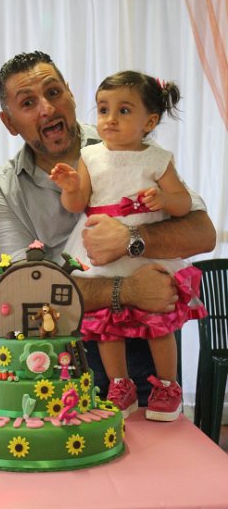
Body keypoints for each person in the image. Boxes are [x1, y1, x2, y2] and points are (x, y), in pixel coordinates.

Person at [0, 51, 216, 406]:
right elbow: (25, 294)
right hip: (57, 358)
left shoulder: (131, 144)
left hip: (148, 341)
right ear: (9, 122)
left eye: (54, 92)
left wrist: (131, 240)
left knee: (158, 436)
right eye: (28, 103)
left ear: (71, 93)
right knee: (76, 439)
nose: (47, 108)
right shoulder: (2, 190)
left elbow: (202, 233)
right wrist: (128, 290)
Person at [50, 70, 207, 420]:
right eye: (103, 109)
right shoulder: (90, 156)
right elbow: (77, 204)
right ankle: (120, 385)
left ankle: (167, 385)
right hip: (100, 251)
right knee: (108, 328)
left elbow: (184, 204)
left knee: (158, 323)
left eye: (123, 111)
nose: (109, 119)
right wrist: (71, 187)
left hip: (143, 253)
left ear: (149, 121)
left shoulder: (157, 159)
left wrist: (165, 199)